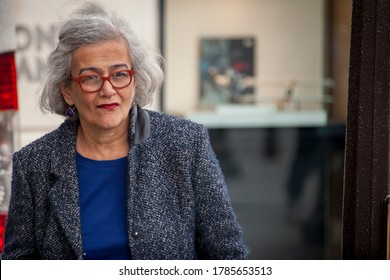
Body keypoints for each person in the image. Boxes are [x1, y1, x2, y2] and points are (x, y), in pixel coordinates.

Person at [2, 2, 248, 260]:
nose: (108, 90)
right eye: (90, 78)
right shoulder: (33, 164)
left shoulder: (186, 144)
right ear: (67, 90)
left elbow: (229, 257)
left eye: (119, 74)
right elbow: (18, 266)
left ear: (136, 79)